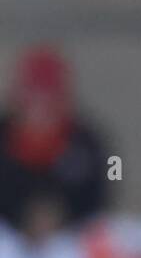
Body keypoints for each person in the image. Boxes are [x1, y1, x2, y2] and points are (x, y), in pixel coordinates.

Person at [0, 45, 107, 239]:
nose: (39, 110)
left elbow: (110, 180)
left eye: (48, 100)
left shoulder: (89, 143)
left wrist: (64, 219)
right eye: (33, 99)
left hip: (70, 242)